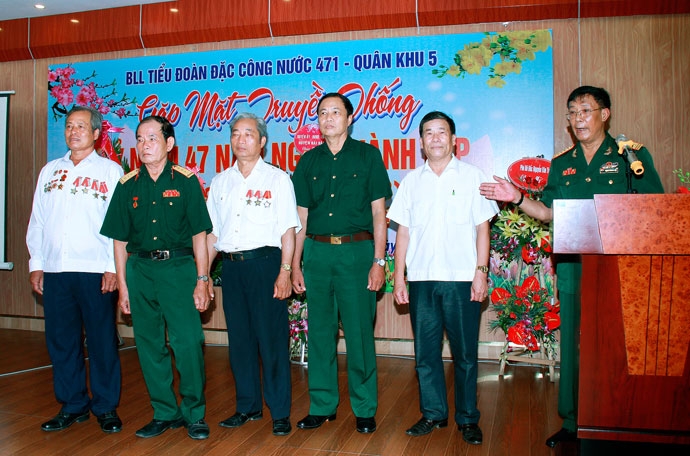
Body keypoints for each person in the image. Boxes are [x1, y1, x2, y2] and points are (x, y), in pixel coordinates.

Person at [479, 86, 664, 448]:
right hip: (575, 266)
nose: (578, 119)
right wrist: (517, 197)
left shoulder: (630, 156)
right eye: (572, 113)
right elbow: (547, 212)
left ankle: (619, 415)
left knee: (618, 344)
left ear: (604, 114)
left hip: (621, 269)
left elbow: (654, 207)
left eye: (585, 111)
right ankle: (573, 420)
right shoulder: (562, 164)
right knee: (574, 344)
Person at [388, 111, 498, 445]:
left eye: (441, 132)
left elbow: (483, 229)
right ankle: (433, 413)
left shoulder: (472, 177)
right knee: (425, 354)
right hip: (422, 279)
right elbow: (403, 233)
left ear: (453, 140)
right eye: (428, 133)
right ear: (421, 142)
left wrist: (481, 273)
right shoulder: (411, 181)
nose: (435, 138)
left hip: (462, 279)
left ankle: (468, 418)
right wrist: (399, 277)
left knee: (465, 355)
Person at [100, 115, 213, 440]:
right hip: (140, 271)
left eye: (152, 138)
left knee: (187, 342)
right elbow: (119, 241)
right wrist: (123, 287)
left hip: (178, 269)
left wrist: (202, 280)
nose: (144, 145)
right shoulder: (127, 185)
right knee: (149, 344)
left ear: (169, 143)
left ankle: (194, 413)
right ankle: (164, 412)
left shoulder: (185, 181)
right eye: (140, 139)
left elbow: (200, 235)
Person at [290, 92, 392, 434]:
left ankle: (364, 408)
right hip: (317, 254)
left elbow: (379, 213)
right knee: (320, 333)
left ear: (350, 119)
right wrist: (295, 264)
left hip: (356, 253)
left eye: (335, 112)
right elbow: (301, 219)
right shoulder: (308, 162)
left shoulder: (368, 156)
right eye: (322, 113)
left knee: (360, 333)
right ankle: (322, 406)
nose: (328, 118)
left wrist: (379, 261)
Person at [26, 106, 123, 434]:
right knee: (62, 341)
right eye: (69, 126)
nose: (73, 132)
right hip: (55, 269)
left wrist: (111, 267)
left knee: (101, 341)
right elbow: (38, 221)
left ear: (96, 133)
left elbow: (118, 225)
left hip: (95, 270)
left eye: (81, 126)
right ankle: (72, 404)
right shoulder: (50, 171)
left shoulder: (110, 171)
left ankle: (106, 406)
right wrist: (37, 264)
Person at [205, 112, 300, 436]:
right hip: (231, 268)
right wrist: (202, 275)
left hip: (265, 265)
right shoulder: (220, 182)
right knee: (240, 340)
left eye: (248, 134)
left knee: (272, 341)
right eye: (235, 133)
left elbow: (288, 230)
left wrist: (285, 271)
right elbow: (213, 234)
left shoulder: (277, 179)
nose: (240, 139)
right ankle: (247, 406)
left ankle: (280, 412)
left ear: (262, 142)